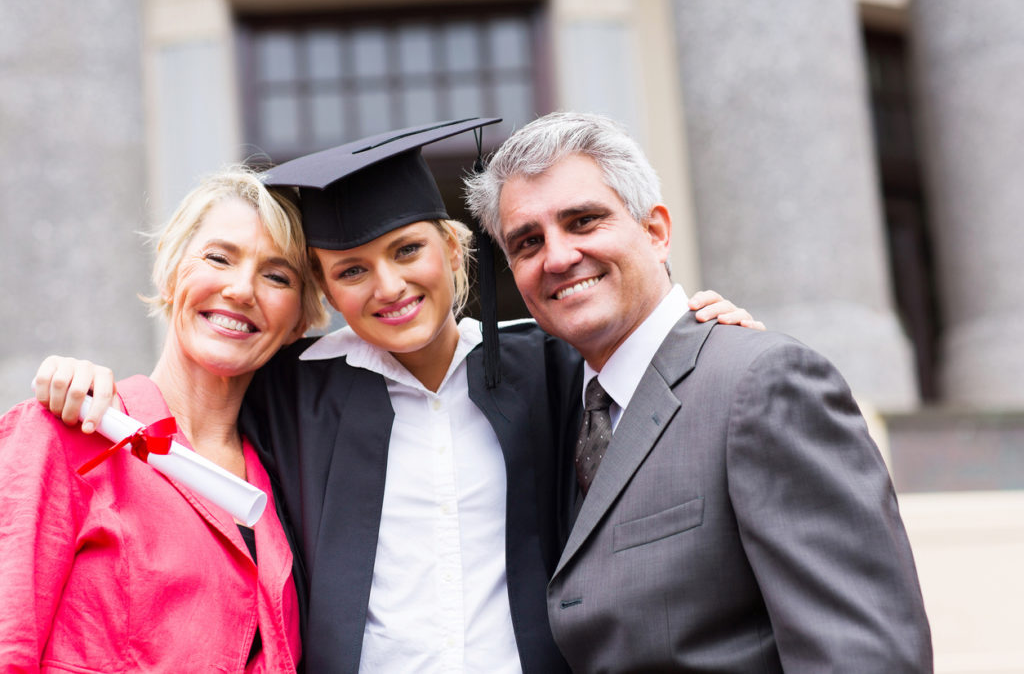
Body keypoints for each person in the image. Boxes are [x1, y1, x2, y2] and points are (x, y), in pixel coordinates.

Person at [31, 119, 761, 673]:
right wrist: (81, 375)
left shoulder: (552, 369)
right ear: (327, 293)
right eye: (350, 270)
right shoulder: (294, 394)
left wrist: (697, 332)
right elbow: (197, 379)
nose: (388, 287)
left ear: (451, 249)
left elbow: (649, 377)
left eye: (408, 251)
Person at [463, 110, 933, 672]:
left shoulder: (760, 383)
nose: (558, 257)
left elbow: (860, 654)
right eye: (527, 242)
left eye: (584, 221)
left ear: (656, 231)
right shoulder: (557, 408)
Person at [0, 168, 328, 671]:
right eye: (219, 257)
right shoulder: (69, 433)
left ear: (298, 321)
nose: (242, 289)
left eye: (276, 276)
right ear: (173, 272)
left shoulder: (287, 484)